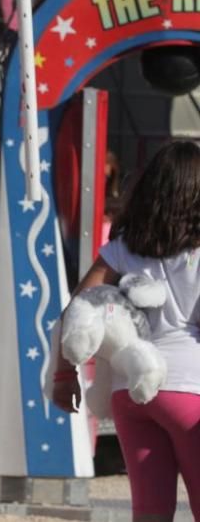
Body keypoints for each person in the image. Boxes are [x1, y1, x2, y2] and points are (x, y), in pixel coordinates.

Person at [52, 141, 200, 522]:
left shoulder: (122, 248)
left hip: (130, 393)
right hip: (191, 390)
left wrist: (65, 375)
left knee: (150, 512)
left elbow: (76, 309)